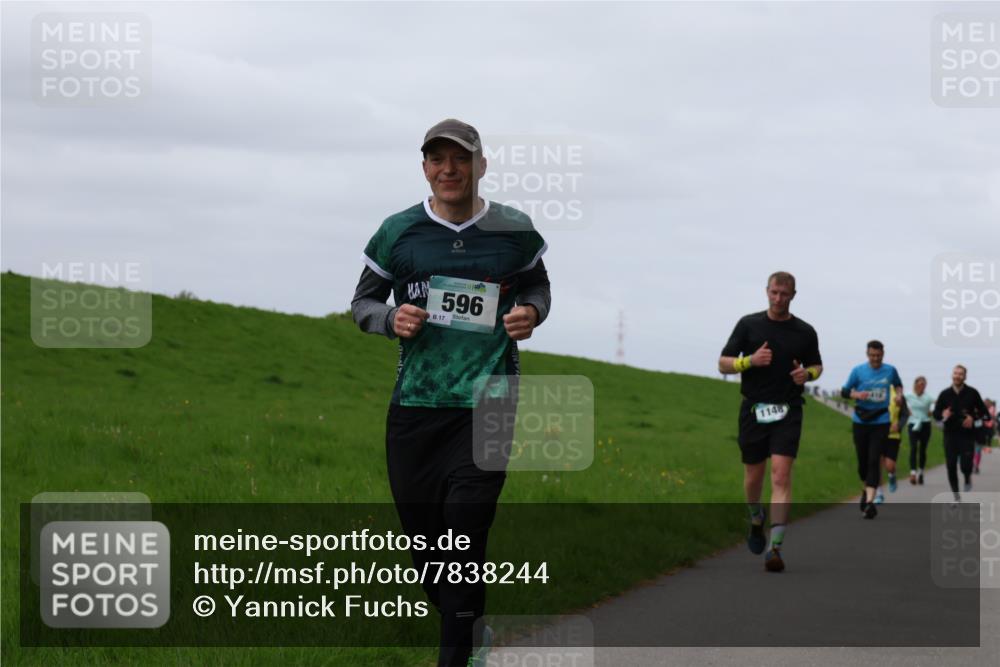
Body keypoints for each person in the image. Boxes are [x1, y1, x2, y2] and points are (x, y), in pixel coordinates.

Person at [350, 119, 551, 667]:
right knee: (425, 550)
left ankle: (458, 653)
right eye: (437, 160)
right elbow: (362, 305)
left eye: (459, 159)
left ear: (480, 165)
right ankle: (469, 625)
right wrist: (392, 318)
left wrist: (531, 311)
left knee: (465, 535)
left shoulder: (513, 230)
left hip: (488, 403)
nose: (448, 169)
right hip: (415, 408)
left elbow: (537, 283)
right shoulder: (398, 232)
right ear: (424, 169)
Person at [719, 271, 823, 573]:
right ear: (767, 291)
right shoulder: (748, 324)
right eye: (775, 293)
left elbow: (816, 364)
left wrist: (808, 374)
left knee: (780, 476)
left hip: (788, 409)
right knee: (753, 477)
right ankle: (755, 517)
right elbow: (723, 362)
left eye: (785, 294)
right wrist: (748, 361)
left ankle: (775, 548)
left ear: (793, 295)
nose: (779, 299)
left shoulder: (805, 332)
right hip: (753, 409)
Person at [841, 341, 903, 519]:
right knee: (863, 463)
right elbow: (845, 391)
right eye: (872, 355)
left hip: (881, 420)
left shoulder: (890, 370)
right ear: (867, 354)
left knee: (874, 460)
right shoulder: (858, 371)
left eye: (878, 356)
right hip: (861, 420)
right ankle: (866, 487)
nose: (875, 359)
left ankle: (869, 502)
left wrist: (898, 395)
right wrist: (856, 394)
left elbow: (898, 385)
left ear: (883, 354)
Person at [932, 365, 988, 501]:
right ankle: (956, 496)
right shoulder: (944, 394)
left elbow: (984, 413)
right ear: (952, 375)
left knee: (966, 466)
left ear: (965, 376)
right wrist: (942, 414)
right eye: (955, 373)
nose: (957, 376)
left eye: (961, 374)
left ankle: (967, 477)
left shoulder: (972, 393)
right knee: (951, 466)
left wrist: (972, 418)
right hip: (950, 435)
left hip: (967, 435)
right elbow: (935, 414)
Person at [904, 376, 934, 485]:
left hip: (925, 424)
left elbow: (939, 404)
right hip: (912, 424)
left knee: (922, 450)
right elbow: (899, 401)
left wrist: (932, 412)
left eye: (924, 385)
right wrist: (907, 410)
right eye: (920, 384)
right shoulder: (909, 395)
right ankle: (912, 473)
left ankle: (921, 472)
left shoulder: (928, 397)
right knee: (913, 448)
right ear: (915, 385)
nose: (921, 386)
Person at [973, 398, 996, 474]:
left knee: (977, 450)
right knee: (975, 450)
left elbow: (988, 419)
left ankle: (976, 465)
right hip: (972, 434)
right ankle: (975, 465)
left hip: (980, 434)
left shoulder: (984, 412)